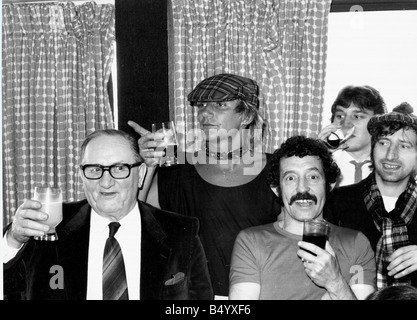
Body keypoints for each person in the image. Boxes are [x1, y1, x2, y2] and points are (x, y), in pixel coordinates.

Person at [2, 129, 213, 300]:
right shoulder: (48, 225)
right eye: (94, 169)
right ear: (81, 177)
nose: (105, 182)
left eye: (119, 168)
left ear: (140, 175)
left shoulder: (180, 232)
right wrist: (12, 240)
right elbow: (9, 287)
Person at [128, 73, 280, 298]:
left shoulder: (276, 169)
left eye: (220, 104)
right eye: (201, 105)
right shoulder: (177, 167)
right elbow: (136, 217)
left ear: (246, 115)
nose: (205, 113)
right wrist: (147, 166)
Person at [229, 135, 376, 300]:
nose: (302, 188)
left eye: (313, 177)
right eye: (290, 178)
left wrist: (335, 282)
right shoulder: (251, 242)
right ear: (276, 189)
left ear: (329, 185)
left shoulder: (357, 243)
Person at [324, 102, 417, 289]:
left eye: (404, 146)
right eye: (383, 143)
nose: (391, 155)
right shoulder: (336, 201)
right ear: (372, 149)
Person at [318, 85, 386, 187]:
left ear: (377, 124)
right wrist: (317, 155)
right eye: (340, 116)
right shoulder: (322, 165)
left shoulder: (388, 167)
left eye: (357, 116)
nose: (346, 124)